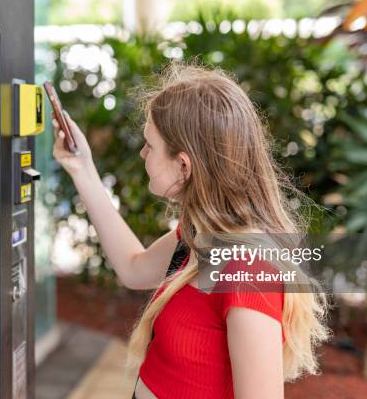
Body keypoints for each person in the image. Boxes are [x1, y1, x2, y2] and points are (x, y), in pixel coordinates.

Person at [52, 63, 329, 399]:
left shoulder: (247, 269)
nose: (143, 154)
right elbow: (134, 267)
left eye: (149, 146)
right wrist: (82, 169)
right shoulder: (200, 235)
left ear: (183, 165)